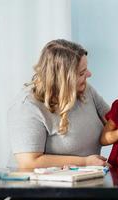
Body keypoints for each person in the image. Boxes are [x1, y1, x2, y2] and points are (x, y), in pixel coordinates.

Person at [7, 39, 110, 169]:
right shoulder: (27, 106)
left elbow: (115, 121)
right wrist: (85, 162)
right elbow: (29, 163)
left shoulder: (85, 91)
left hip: (81, 181)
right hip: (38, 186)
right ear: (62, 79)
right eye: (81, 73)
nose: (89, 74)